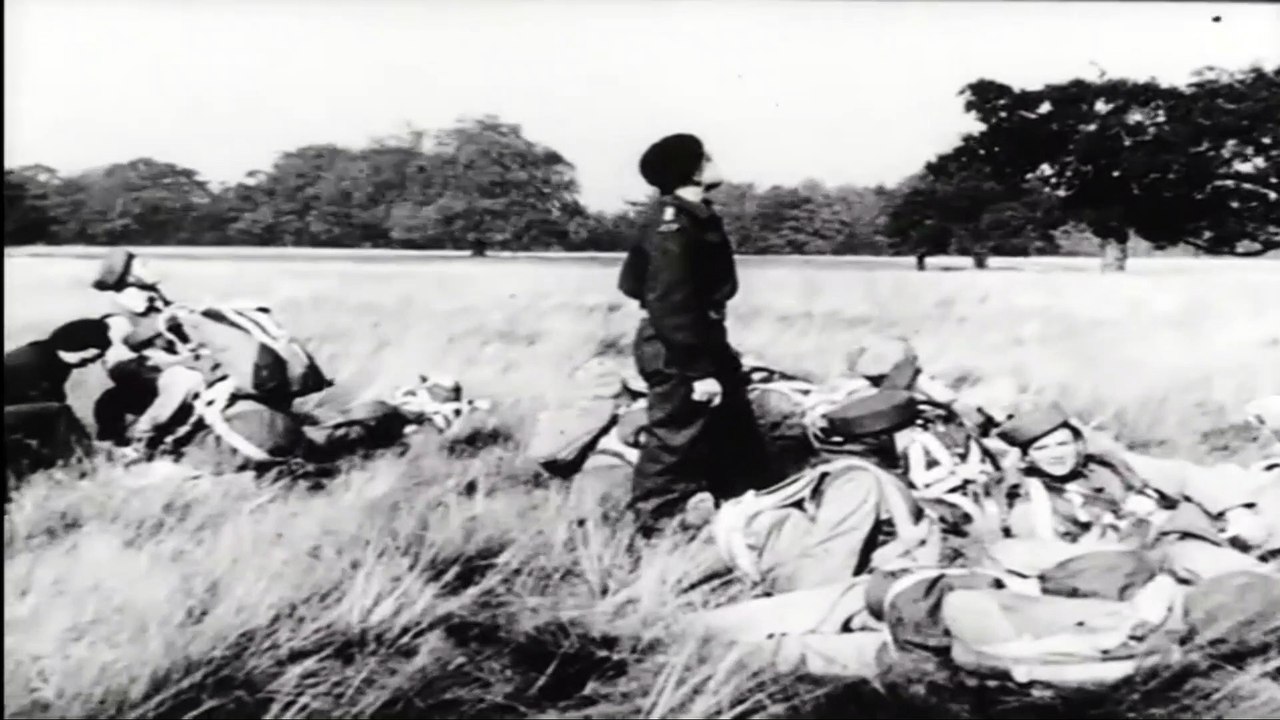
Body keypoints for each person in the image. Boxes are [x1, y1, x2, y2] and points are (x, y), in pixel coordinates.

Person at [616, 133, 775, 536]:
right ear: (693, 170)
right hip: (679, 346)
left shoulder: (694, 216)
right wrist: (697, 368)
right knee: (675, 440)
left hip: (700, 338)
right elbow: (666, 301)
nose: (714, 161)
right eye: (707, 157)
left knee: (735, 434)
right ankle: (652, 532)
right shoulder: (674, 224)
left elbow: (635, 284)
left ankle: (749, 520)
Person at [984, 400, 1274, 581]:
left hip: (1175, 540)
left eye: (1062, 444)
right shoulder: (1029, 501)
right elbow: (1047, 555)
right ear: (1027, 457)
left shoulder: (1113, 465)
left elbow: (1186, 475)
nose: (1056, 454)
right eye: (1042, 449)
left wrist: (1235, 511)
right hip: (1126, 571)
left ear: (1078, 444)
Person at [5, 318, 112, 483]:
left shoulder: (56, 360)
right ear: (77, 346)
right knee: (58, 413)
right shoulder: (25, 363)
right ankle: (86, 465)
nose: (91, 364)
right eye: (90, 358)